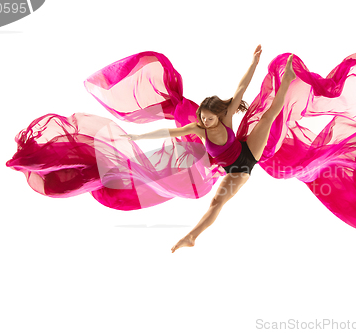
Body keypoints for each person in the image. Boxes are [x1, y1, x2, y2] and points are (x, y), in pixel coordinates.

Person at [120, 45, 297, 252]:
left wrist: (254, 63)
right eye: (203, 117)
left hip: (248, 152)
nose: (205, 120)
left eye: (210, 118)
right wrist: (138, 136)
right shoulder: (199, 128)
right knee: (216, 203)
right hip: (238, 170)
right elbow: (168, 133)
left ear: (218, 115)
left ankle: (288, 79)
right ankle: (191, 237)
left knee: (268, 116)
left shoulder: (226, 118)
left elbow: (241, 88)